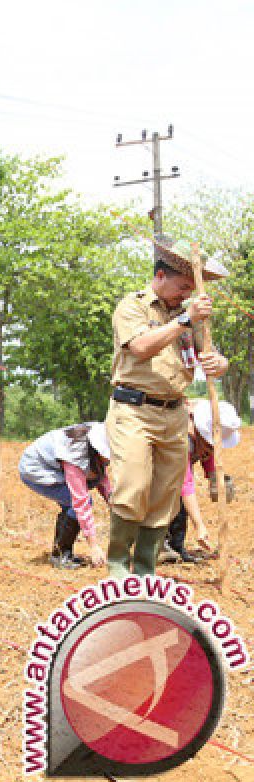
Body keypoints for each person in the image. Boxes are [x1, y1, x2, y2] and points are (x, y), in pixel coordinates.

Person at [105, 235, 228, 578]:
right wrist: (185, 320)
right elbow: (141, 347)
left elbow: (210, 356)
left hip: (175, 414)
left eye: (191, 288)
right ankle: (117, 567)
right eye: (182, 286)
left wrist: (220, 364)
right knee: (132, 486)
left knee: (165, 498)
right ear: (160, 276)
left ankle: (145, 569)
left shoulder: (191, 316)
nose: (186, 294)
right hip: (133, 411)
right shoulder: (133, 307)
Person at [18, 422, 111, 569]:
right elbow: (80, 501)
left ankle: (62, 552)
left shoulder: (96, 441)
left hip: (52, 467)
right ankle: (61, 555)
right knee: (75, 503)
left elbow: (102, 479)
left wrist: (114, 503)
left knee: (73, 504)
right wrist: (93, 546)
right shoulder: (75, 454)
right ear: (97, 450)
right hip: (35, 468)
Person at [165, 399, 241, 563]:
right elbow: (185, 484)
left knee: (180, 504)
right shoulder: (181, 436)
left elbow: (208, 455)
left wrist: (216, 479)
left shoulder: (203, 439)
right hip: (157, 471)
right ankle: (158, 546)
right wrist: (199, 525)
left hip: (174, 472)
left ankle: (175, 546)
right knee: (168, 499)